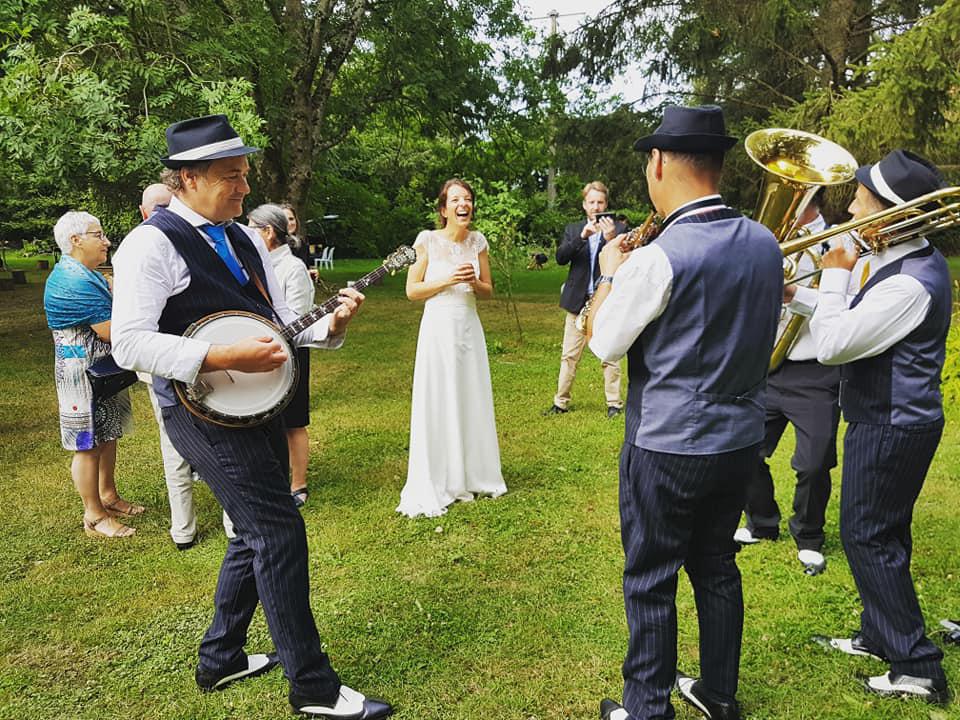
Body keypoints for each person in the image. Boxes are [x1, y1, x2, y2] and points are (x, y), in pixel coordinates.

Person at [110, 114, 392, 719]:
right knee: (277, 529)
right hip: (201, 407)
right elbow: (129, 343)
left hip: (256, 401)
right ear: (186, 178)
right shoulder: (149, 244)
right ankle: (313, 689)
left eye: (243, 176)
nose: (242, 189)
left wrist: (330, 327)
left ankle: (222, 659)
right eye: (229, 177)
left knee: (251, 526)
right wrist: (219, 355)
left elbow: (273, 322)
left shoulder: (241, 237)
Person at [589, 106, 783, 720]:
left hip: (669, 443)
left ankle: (646, 707)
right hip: (740, 440)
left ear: (660, 163)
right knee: (717, 564)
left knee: (650, 578)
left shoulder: (656, 256)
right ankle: (718, 693)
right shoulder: (766, 242)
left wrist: (608, 275)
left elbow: (603, 343)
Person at [788, 150, 951, 704]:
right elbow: (856, 323)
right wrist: (801, 295)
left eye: (859, 199)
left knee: (866, 536)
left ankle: (918, 665)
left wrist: (832, 275)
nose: (849, 207)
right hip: (887, 417)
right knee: (885, 534)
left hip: (891, 422)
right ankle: (879, 634)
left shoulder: (910, 282)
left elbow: (834, 346)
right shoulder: (896, 260)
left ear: (888, 213)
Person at [734, 188, 851, 575]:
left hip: (814, 370)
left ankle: (809, 536)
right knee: (744, 449)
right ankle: (762, 522)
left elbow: (850, 306)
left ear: (810, 197)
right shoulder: (764, 241)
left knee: (815, 462)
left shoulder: (841, 243)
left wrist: (793, 293)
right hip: (765, 366)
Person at [396, 178, 506, 518]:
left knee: (471, 394)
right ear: (444, 209)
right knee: (440, 396)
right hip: (438, 327)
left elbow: (488, 290)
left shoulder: (478, 242)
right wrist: (448, 280)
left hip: (468, 327)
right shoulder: (427, 241)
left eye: (468, 199)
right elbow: (412, 290)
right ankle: (442, 476)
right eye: (456, 199)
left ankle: (476, 474)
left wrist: (473, 282)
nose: (464, 204)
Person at [44, 211, 144, 539]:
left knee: (108, 434)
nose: (106, 241)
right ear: (76, 241)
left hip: (102, 371)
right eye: (98, 235)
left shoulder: (85, 273)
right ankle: (94, 514)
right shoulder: (73, 280)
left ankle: (109, 495)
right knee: (86, 444)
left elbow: (117, 285)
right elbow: (110, 331)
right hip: (81, 375)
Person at [248, 203, 315, 507]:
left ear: (268, 232)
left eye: (252, 226)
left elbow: (299, 316)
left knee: (293, 421)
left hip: (291, 353)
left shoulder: (293, 268)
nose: (246, 232)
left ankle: (298, 484)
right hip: (259, 350)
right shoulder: (253, 264)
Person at [545, 181, 625, 418]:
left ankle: (614, 404)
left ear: (606, 205)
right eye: (592, 202)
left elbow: (624, 259)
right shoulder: (573, 229)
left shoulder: (619, 230)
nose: (596, 206)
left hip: (606, 301)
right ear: (584, 205)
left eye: (600, 202)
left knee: (610, 354)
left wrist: (610, 238)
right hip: (577, 302)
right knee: (569, 355)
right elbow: (560, 258)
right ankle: (560, 402)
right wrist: (582, 237)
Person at [282, 202, 312, 268]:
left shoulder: (302, 243)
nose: (289, 223)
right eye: (284, 220)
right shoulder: (273, 244)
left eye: (291, 219)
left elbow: (305, 267)